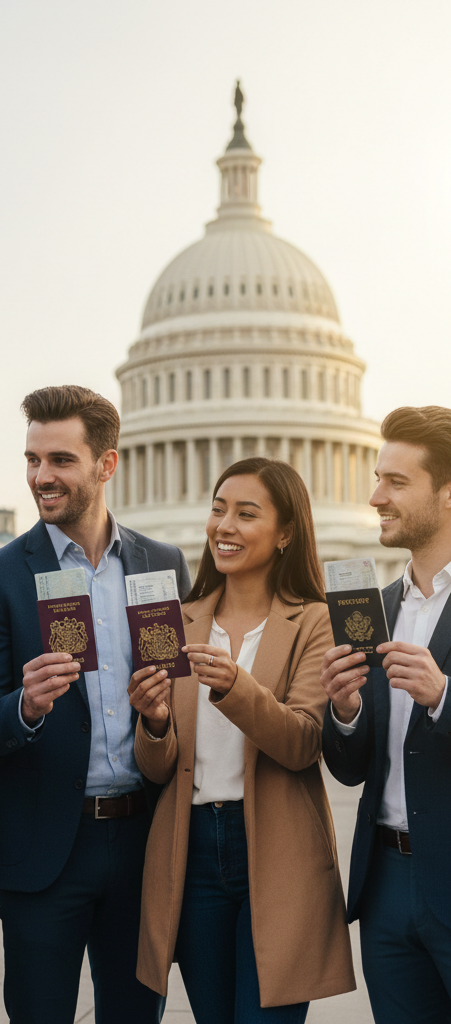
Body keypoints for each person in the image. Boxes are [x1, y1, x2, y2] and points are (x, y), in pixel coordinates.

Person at [0, 384, 188, 1024]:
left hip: (143, 841)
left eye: (59, 460)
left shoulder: (161, 563)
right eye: (32, 460)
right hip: (44, 854)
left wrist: (162, 717)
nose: (40, 477)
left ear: (106, 465)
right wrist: (26, 706)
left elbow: (184, 699)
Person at [129, 456, 355, 1022]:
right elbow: (159, 769)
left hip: (276, 848)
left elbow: (304, 743)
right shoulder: (173, 620)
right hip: (194, 848)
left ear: (284, 534)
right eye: (218, 509)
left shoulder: (315, 621)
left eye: (246, 514)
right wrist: (154, 722)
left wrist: (236, 686)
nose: (223, 527)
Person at [321, 406, 451, 1023]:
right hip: (387, 885)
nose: (376, 496)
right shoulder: (372, 608)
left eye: (396, 482)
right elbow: (350, 768)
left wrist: (444, 695)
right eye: (378, 478)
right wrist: (344, 712)